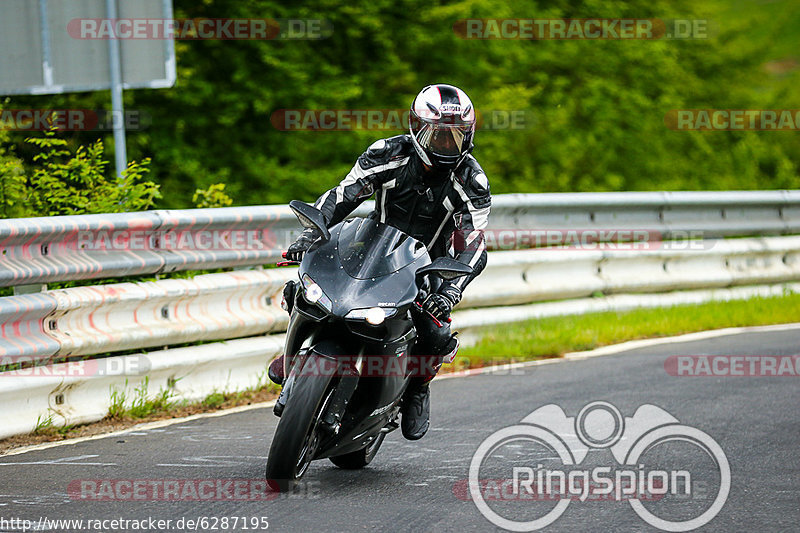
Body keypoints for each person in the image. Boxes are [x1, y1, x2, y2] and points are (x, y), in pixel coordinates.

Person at [270, 84, 491, 440]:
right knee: (303, 291)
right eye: (437, 135)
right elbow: (345, 193)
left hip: (425, 265)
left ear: (469, 136)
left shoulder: (472, 181)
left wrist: (450, 290)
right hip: (370, 246)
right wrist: (315, 231)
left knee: (435, 331)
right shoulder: (387, 153)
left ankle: (418, 387)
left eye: (455, 137)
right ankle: (295, 356)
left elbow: (473, 243)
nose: (445, 145)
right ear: (415, 127)